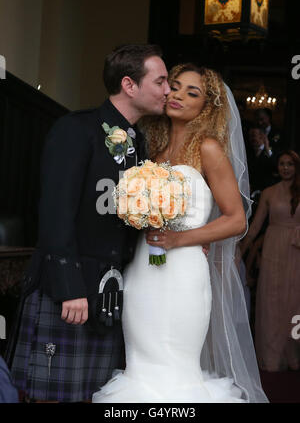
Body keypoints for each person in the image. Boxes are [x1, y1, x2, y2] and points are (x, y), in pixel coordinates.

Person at [93, 64, 268, 403]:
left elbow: (236, 220)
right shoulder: (151, 152)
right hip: (143, 272)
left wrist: (181, 239)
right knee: (140, 366)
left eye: (193, 92)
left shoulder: (209, 149)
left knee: (175, 368)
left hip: (183, 272)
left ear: (206, 107)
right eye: (175, 86)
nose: (179, 96)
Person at [5, 44, 171, 402]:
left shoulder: (138, 143)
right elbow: (55, 212)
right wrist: (69, 286)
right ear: (129, 84)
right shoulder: (76, 128)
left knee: (93, 395)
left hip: (108, 292)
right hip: (69, 287)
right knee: (50, 396)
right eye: (160, 81)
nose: (167, 90)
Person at [240, 150, 300, 372]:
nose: (286, 168)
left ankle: (294, 355)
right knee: (272, 302)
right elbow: (255, 226)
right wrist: (240, 250)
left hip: (297, 252)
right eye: (282, 164)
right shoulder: (268, 192)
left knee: (295, 303)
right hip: (274, 250)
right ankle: (272, 357)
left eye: (290, 164)